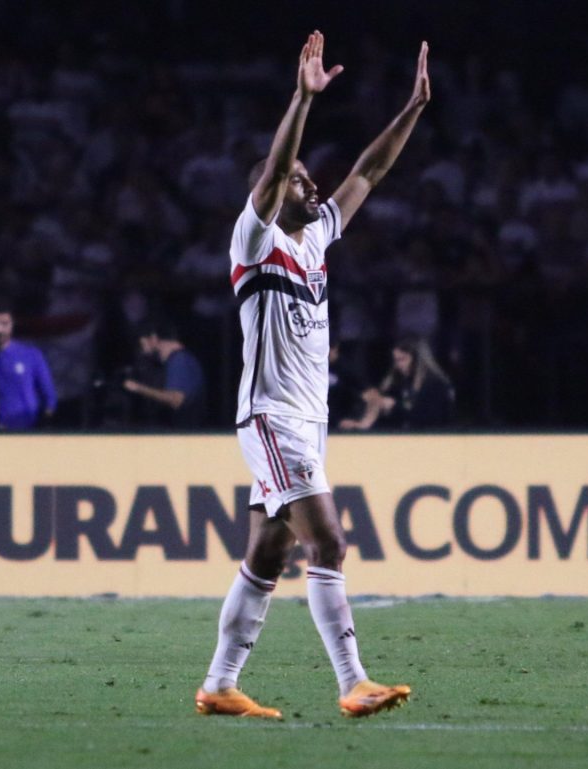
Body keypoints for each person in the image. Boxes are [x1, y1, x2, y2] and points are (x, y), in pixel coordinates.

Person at [196, 32, 430, 720]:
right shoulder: (254, 238)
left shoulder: (317, 238)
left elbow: (369, 172)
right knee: (327, 539)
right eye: (300, 179)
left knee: (267, 554)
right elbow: (271, 177)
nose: (312, 184)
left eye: (308, 178)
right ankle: (354, 679)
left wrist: (412, 107)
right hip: (270, 417)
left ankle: (219, 683)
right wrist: (302, 98)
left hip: (306, 421)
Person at [0, 300, 57, 430]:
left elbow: (49, 395)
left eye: (4, 324)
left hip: (27, 433)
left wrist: (43, 424)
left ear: (12, 325)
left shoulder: (31, 355)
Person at [339, 337, 455, 431]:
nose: (398, 365)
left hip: (433, 437)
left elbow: (431, 419)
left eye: (403, 359)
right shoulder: (397, 381)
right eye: (396, 360)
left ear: (416, 359)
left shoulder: (434, 384)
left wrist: (396, 407)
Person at [122, 319, 207, 428]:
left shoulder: (179, 360)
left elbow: (176, 400)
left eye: (141, 343)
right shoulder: (179, 359)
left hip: (187, 434)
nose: (141, 349)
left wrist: (138, 388)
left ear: (153, 338)